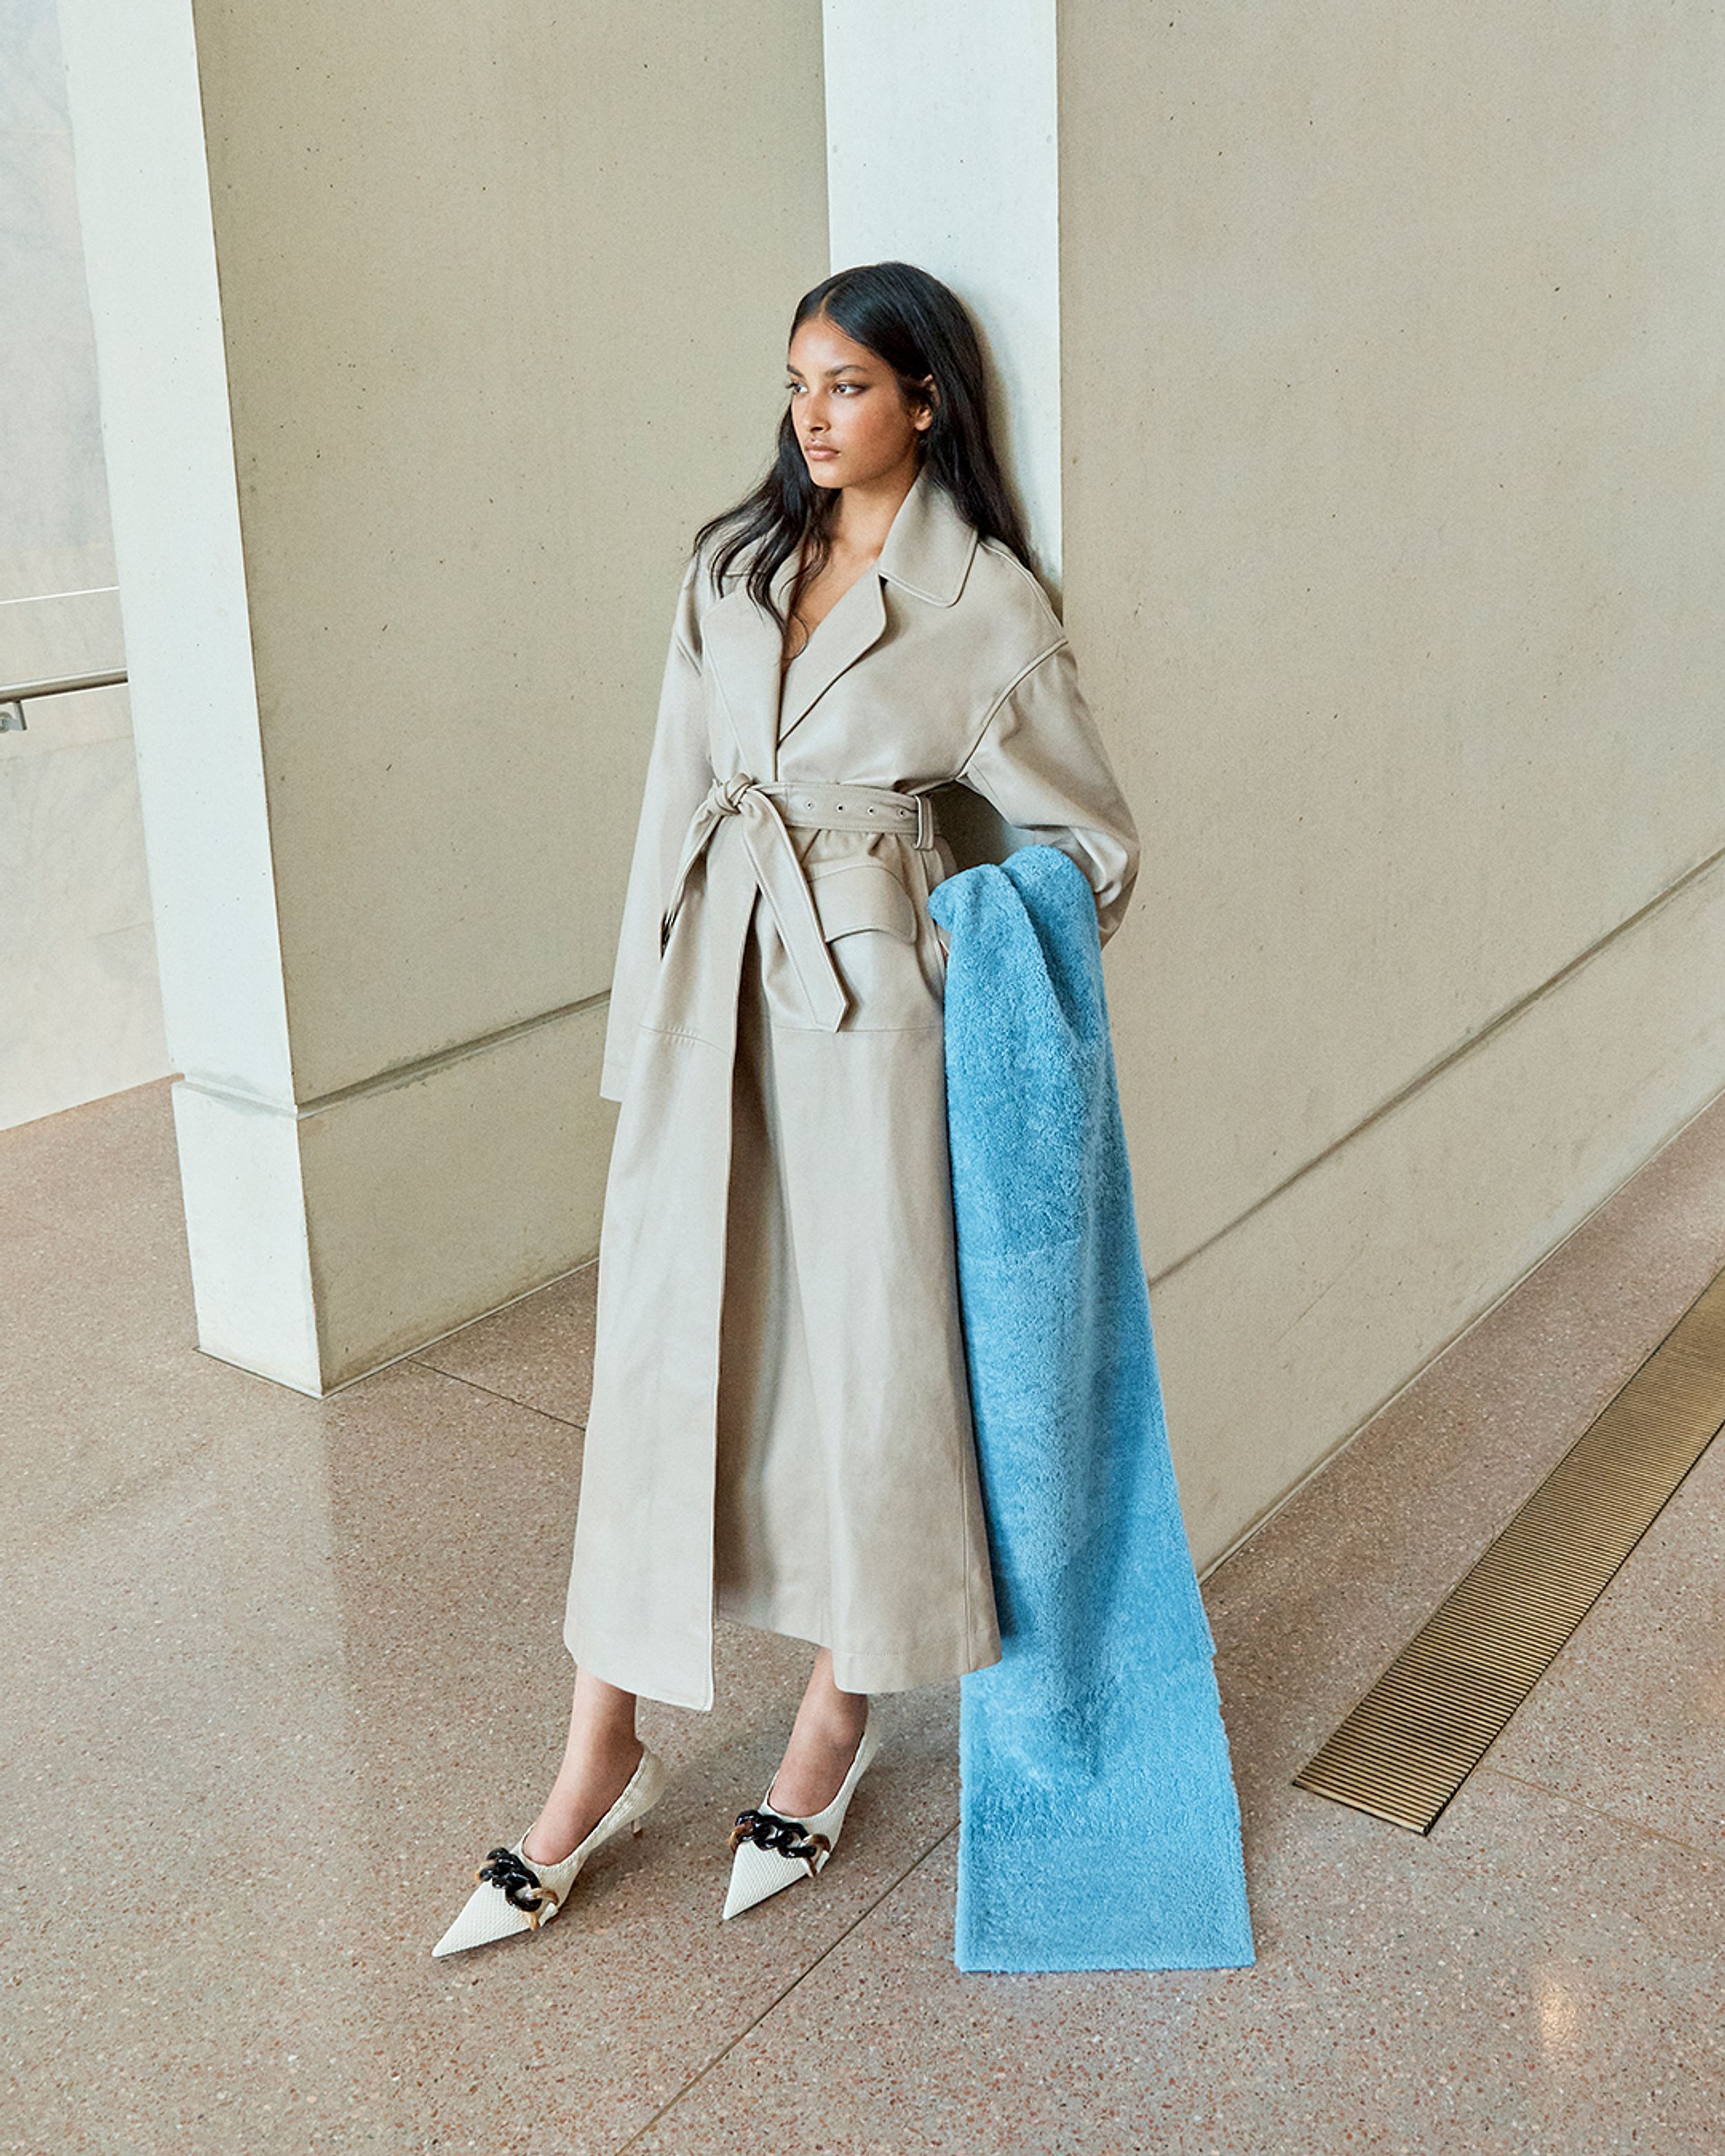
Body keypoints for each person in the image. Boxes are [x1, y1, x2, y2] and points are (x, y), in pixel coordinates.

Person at [433, 261, 1141, 1957]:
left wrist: (944, 955)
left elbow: (1090, 852)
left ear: (925, 403)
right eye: (796, 385)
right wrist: (638, 1043)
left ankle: (833, 1720)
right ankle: (592, 1753)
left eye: (845, 386)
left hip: (864, 1022)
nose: (811, 417)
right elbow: (668, 802)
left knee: (874, 1371)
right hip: (707, 1007)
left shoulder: (988, 608)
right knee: (663, 1363)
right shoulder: (728, 570)